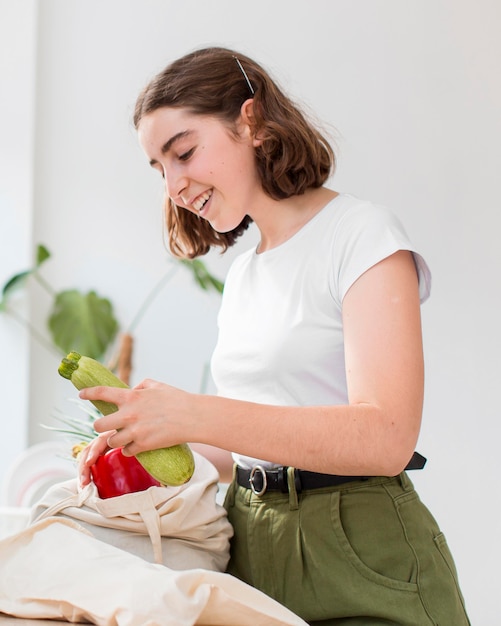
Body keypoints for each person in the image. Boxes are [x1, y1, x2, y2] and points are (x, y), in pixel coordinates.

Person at [78, 47, 470, 625]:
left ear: (252, 121)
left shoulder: (361, 235)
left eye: (183, 152)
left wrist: (193, 412)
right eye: (160, 170)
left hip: (359, 548)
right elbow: (251, 442)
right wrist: (142, 442)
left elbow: (386, 435)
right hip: (251, 538)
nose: (175, 187)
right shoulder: (244, 276)